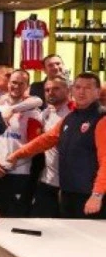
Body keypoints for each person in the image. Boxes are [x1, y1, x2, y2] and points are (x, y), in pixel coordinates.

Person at [6, 72, 106, 219]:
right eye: (78, 87)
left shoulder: (102, 119)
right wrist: (17, 154)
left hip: (91, 196)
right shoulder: (70, 118)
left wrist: (97, 195)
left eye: (88, 88)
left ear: (98, 92)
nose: (81, 92)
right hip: (68, 192)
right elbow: (45, 140)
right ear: (72, 90)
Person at [0, 70, 42, 217]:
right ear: (8, 83)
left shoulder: (33, 113)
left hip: (18, 173)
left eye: (21, 83)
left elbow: (34, 146)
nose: (16, 86)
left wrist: (11, 162)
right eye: (14, 82)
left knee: (13, 218)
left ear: (27, 86)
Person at [28, 75, 72, 218]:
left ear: (68, 90)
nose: (50, 92)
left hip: (69, 185)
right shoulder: (46, 113)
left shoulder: (74, 114)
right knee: (39, 224)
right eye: (47, 90)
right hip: (47, 180)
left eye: (56, 89)